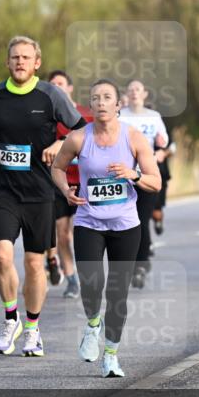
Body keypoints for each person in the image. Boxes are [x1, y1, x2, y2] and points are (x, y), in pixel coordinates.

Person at [0, 35, 84, 357]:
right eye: (15, 57)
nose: (20, 62)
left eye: (26, 57)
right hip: (3, 188)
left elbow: (79, 132)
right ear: (7, 63)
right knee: (3, 256)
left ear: (37, 63)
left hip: (39, 191)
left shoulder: (51, 95)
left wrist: (59, 145)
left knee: (35, 263)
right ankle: (11, 319)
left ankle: (33, 329)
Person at [52, 79, 161, 377]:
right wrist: (66, 191)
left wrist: (132, 174)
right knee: (91, 285)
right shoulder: (78, 138)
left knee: (117, 293)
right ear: (91, 105)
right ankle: (92, 325)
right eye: (95, 98)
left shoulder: (134, 138)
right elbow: (57, 167)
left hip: (126, 225)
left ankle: (111, 355)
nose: (101, 103)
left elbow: (156, 181)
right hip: (89, 221)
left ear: (118, 105)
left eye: (107, 98)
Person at [119, 79, 169, 289]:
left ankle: (141, 263)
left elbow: (164, 143)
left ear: (145, 94)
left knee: (142, 218)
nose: (134, 93)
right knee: (124, 221)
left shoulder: (153, 117)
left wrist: (159, 148)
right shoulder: (121, 115)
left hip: (147, 174)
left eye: (138, 89)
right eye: (130, 90)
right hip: (124, 175)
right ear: (126, 94)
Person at [48, 70, 93, 299]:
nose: (57, 87)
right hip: (59, 182)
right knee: (63, 234)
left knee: (81, 231)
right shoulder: (48, 117)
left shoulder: (84, 114)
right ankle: (72, 279)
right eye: (52, 84)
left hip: (84, 181)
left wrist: (64, 141)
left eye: (60, 84)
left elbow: (92, 139)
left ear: (70, 88)